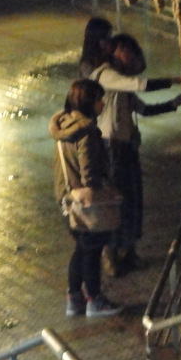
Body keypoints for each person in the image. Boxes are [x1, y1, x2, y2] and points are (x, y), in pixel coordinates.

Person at [91, 34, 181, 276]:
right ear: (117, 50)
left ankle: (128, 251)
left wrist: (178, 101)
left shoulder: (121, 81)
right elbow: (140, 85)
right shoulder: (106, 75)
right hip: (109, 146)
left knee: (132, 199)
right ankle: (110, 254)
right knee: (114, 201)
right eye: (128, 51)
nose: (131, 57)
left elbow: (144, 109)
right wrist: (176, 80)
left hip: (125, 146)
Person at [49, 79, 124, 317]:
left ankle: (74, 299)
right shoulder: (87, 132)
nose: (103, 104)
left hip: (66, 197)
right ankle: (94, 300)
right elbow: (89, 172)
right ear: (89, 102)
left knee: (81, 249)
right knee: (92, 250)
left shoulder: (64, 125)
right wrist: (101, 185)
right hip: (85, 202)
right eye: (100, 99)